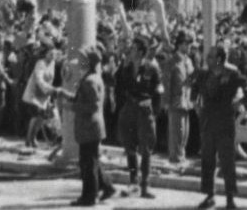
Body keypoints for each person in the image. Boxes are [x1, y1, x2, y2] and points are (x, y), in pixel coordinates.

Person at [196, 45, 247, 209]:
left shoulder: (231, 75)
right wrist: (197, 104)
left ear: (219, 59)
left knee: (227, 162)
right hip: (208, 123)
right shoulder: (203, 74)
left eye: (210, 56)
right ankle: (209, 195)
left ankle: (230, 198)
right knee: (207, 160)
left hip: (225, 123)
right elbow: (192, 86)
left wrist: (242, 102)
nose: (207, 59)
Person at [64, 45, 118, 207]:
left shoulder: (89, 80)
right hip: (91, 127)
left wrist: (71, 106)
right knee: (92, 161)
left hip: (89, 127)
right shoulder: (92, 78)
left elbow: (92, 106)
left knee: (88, 164)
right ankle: (107, 187)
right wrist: (68, 96)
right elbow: (86, 99)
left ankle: (89, 197)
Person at [114, 37, 161, 198]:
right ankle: (133, 182)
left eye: (133, 49)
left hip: (144, 109)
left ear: (140, 51)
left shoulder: (151, 68)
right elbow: (118, 85)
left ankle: (145, 186)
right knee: (129, 147)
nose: (130, 51)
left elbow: (158, 91)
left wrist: (154, 111)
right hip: (129, 108)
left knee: (146, 149)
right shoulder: (126, 68)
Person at [164, 30, 195, 164]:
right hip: (175, 100)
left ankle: (181, 156)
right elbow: (166, 82)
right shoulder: (172, 61)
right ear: (180, 44)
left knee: (185, 132)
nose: (189, 47)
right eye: (186, 44)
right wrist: (166, 101)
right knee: (176, 131)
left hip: (186, 100)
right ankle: (175, 158)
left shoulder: (188, 60)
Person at [22, 47, 59, 148]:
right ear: (46, 54)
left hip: (45, 94)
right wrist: (49, 88)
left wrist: (50, 92)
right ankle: (28, 139)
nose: (52, 56)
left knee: (42, 118)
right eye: (50, 54)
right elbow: (39, 79)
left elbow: (51, 78)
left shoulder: (53, 63)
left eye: (54, 54)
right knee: (35, 115)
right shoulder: (40, 63)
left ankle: (34, 137)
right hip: (35, 92)